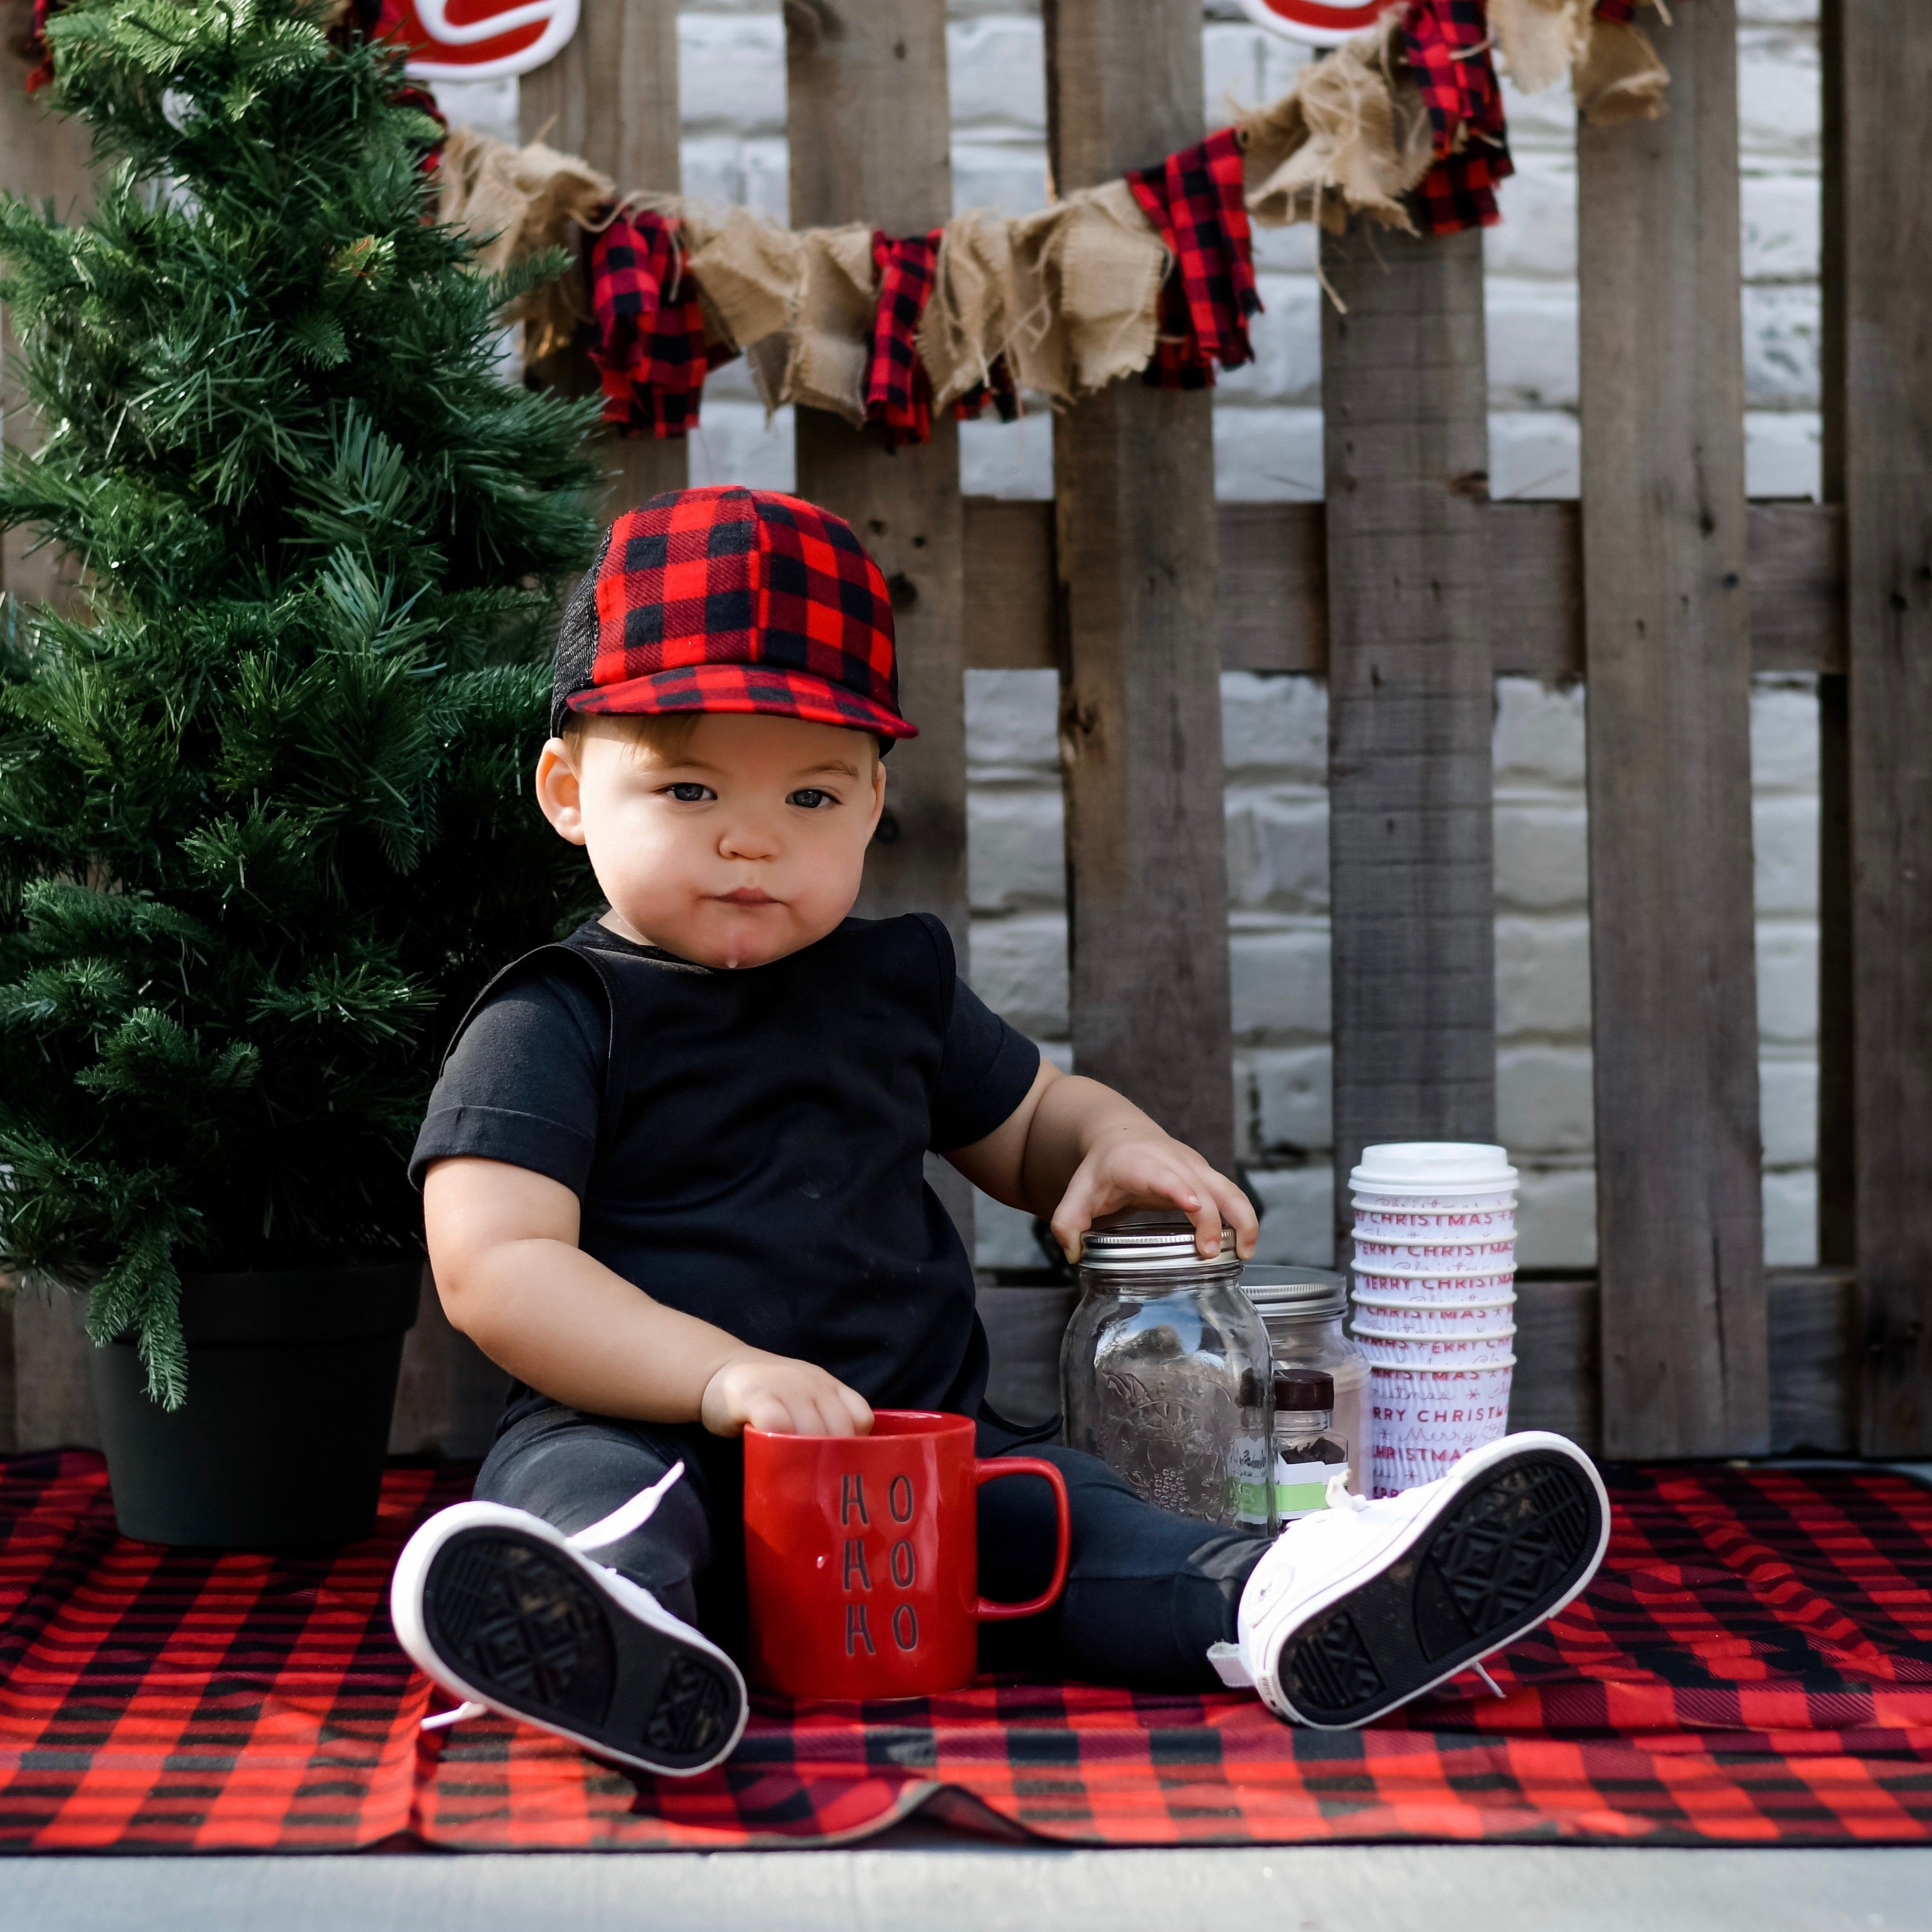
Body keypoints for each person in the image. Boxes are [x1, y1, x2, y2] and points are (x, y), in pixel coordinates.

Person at [388, 485, 1609, 1776]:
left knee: (1083, 1514)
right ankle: (603, 1622)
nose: (751, 837)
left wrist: (1108, 1144)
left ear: (871, 804)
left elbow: (1029, 1121)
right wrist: (711, 1376)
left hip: (902, 1460)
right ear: (569, 791)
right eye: (688, 786)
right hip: (644, 1435)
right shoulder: (559, 1015)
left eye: (810, 797)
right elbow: (496, 1266)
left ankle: (1290, 1595)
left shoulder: (891, 987)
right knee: (593, 1505)